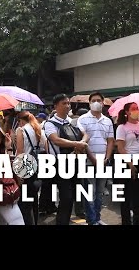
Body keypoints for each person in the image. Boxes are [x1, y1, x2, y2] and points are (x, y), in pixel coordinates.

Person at [44, 94, 89, 225]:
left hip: (75, 163)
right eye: (64, 103)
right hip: (60, 164)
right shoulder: (50, 124)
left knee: (76, 194)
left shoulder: (73, 121)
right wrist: (77, 144)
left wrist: (82, 143)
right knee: (66, 197)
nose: (67, 106)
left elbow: (85, 134)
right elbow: (56, 140)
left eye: (68, 103)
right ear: (56, 106)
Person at [77, 91, 114, 225]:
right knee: (89, 192)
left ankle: (97, 218)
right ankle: (92, 220)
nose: (96, 103)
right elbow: (83, 141)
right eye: (93, 101)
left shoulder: (108, 121)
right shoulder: (82, 119)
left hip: (103, 162)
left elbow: (110, 141)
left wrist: (107, 158)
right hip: (88, 162)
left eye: (99, 100)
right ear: (89, 103)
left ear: (103, 102)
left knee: (99, 193)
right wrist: (92, 158)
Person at [115, 102, 139, 225]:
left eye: (137, 108)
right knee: (126, 195)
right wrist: (130, 163)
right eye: (133, 109)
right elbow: (120, 148)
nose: (137, 111)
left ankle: (137, 221)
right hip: (126, 163)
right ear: (127, 112)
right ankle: (126, 221)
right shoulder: (122, 127)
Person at [15, 111, 46, 225]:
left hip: (25, 167)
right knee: (34, 200)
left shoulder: (21, 130)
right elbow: (45, 148)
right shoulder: (39, 130)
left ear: (21, 120)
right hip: (38, 168)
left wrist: (18, 174)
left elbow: (20, 152)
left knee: (24, 202)